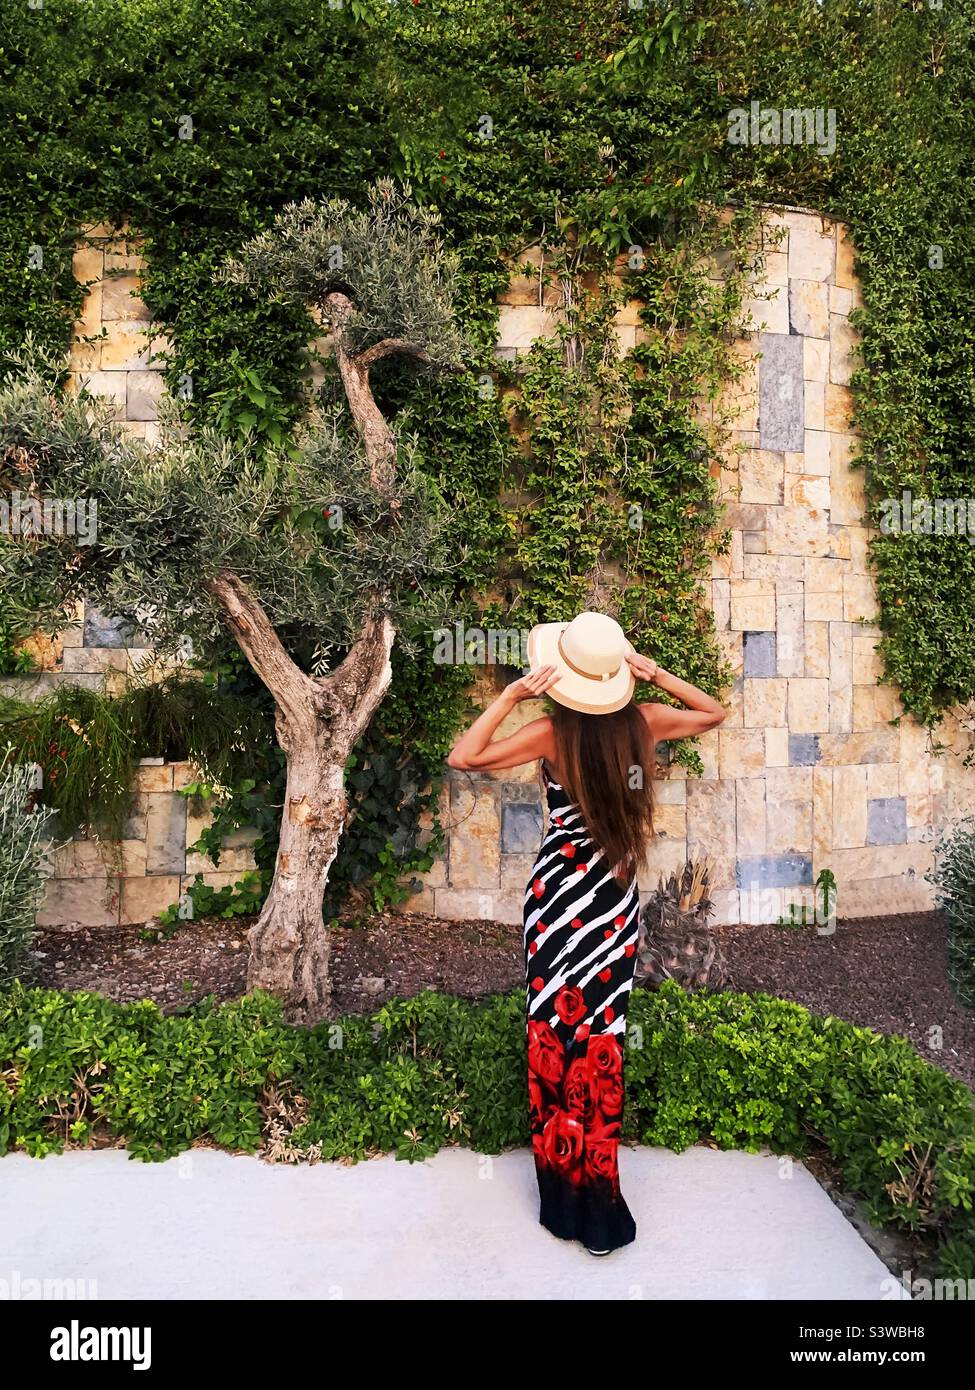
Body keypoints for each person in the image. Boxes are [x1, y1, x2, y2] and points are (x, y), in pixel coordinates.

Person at [448, 611, 726, 1255]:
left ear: (566, 677)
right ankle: (599, 1208)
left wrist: (512, 694)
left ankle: (561, 1197)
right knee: (601, 1040)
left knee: (554, 1032)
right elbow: (712, 712)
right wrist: (655, 674)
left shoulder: (549, 732)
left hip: (555, 903)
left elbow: (465, 756)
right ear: (615, 675)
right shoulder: (648, 722)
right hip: (610, 906)